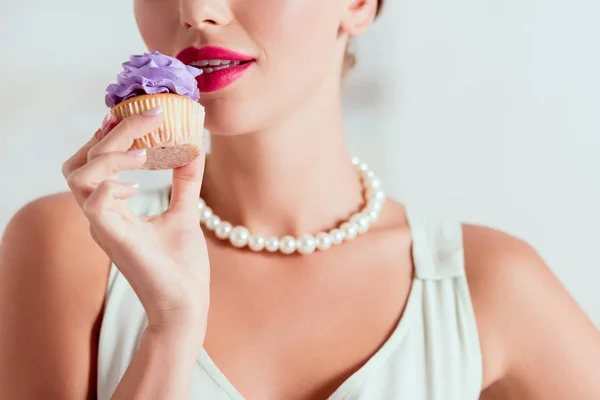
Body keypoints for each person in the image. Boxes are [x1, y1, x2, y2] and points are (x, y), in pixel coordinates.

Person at [1, 0, 599, 399]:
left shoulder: (484, 285)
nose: (196, 10)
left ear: (360, 3)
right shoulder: (74, 247)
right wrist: (169, 330)